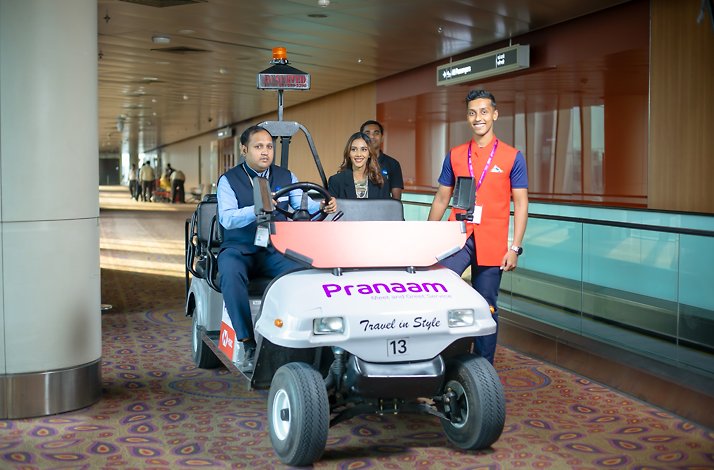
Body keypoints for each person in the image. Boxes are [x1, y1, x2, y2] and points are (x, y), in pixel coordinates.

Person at [217, 125, 337, 368]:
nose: (265, 152)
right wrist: (256, 209)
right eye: (258, 147)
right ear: (244, 149)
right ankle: (248, 341)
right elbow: (227, 218)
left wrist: (322, 206)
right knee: (229, 273)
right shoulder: (228, 180)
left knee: (306, 271)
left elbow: (299, 206)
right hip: (239, 248)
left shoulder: (285, 176)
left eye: (269, 147)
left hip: (275, 247)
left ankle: (304, 339)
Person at [427, 89, 529, 365]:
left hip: (493, 241)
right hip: (458, 236)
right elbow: (441, 197)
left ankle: (482, 366)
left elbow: (520, 203)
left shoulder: (512, 157)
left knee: (486, 304)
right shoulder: (456, 155)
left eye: (484, 112)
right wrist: (426, 236)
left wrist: (515, 247)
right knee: (438, 288)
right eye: (472, 113)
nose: (478, 118)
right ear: (467, 118)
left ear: (495, 114)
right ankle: (439, 357)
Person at [328, 132, 391, 199]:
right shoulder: (336, 181)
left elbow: (386, 208)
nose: (358, 154)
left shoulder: (381, 181)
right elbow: (331, 208)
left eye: (363, 149)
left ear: (369, 153)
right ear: (349, 153)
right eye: (354, 149)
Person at [360, 120, 404, 200]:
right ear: (361, 138)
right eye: (367, 133)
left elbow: (396, 200)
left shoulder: (393, 164)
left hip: (383, 211)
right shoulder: (355, 162)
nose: (372, 136)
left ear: (382, 138)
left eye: (376, 133)